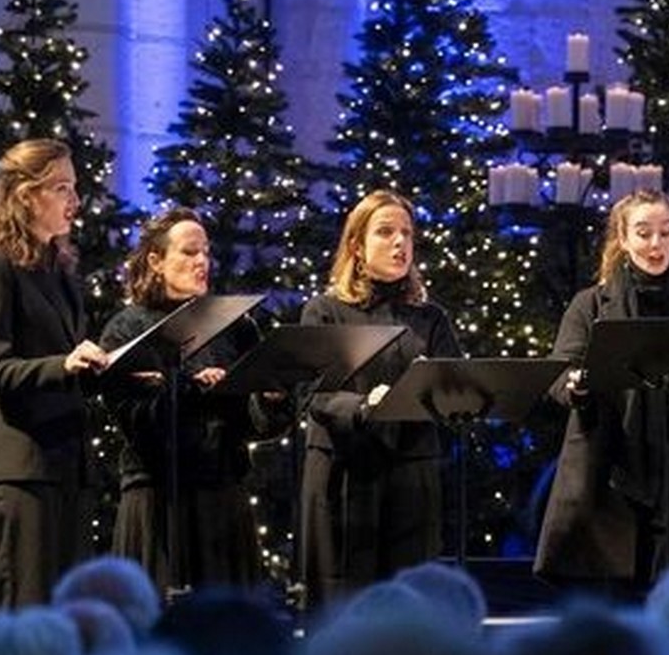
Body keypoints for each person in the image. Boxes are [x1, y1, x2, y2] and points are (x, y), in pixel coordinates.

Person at [533, 191, 669, 591]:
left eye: (665, 233)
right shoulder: (592, 304)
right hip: (609, 469)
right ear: (624, 238)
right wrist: (576, 385)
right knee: (612, 603)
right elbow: (559, 372)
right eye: (644, 233)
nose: (656, 245)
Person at [99, 209, 286, 596]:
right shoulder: (127, 327)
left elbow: (255, 423)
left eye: (206, 252)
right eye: (188, 252)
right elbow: (135, 420)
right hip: (157, 500)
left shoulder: (235, 326)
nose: (202, 261)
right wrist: (187, 387)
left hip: (223, 497)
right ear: (155, 260)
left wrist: (268, 398)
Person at [0, 138, 109, 608]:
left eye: (74, 187)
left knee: (66, 611)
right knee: (26, 609)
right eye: (61, 188)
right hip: (21, 468)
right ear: (27, 195)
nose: (75, 201)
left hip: (67, 464)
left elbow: (67, 363)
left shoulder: (59, 268)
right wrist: (63, 364)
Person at [298, 189, 461, 613]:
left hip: (411, 475)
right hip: (343, 474)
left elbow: (453, 385)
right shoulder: (325, 311)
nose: (400, 243)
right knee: (341, 609)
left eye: (406, 233)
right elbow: (313, 394)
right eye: (385, 232)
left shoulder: (431, 318)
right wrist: (364, 408)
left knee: (410, 607)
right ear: (356, 245)